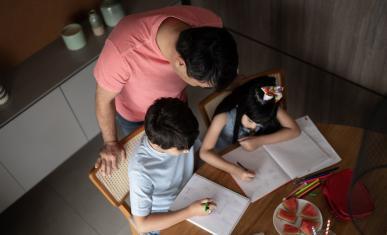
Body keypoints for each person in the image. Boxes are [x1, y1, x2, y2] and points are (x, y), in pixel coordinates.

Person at [93, 5, 238, 175]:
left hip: (176, 105)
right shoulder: (121, 53)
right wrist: (111, 143)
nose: (201, 87)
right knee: (156, 167)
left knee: (183, 155)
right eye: (199, 85)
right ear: (180, 63)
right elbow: (103, 100)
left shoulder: (208, 23)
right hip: (139, 117)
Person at [128, 98, 216, 234]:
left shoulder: (182, 133)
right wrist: (190, 211)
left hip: (191, 193)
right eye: (181, 149)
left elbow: (198, 153)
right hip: (166, 216)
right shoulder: (141, 171)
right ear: (158, 144)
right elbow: (142, 225)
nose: (187, 151)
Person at [200, 76, 301, 181]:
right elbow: (204, 152)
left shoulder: (268, 105)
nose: (254, 127)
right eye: (250, 121)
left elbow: (295, 130)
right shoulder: (223, 117)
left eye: (260, 123)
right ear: (241, 108)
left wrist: (260, 140)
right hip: (224, 160)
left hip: (255, 157)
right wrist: (234, 170)